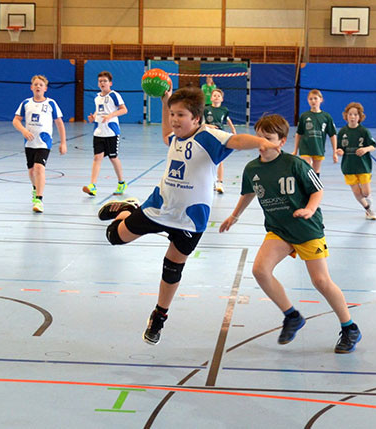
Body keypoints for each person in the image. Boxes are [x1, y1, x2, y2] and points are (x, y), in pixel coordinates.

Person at [96, 86, 280, 346]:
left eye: (180, 115)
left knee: (172, 268)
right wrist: (164, 102)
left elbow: (236, 141)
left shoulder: (209, 137)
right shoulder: (175, 137)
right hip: (159, 206)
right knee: (113, 236)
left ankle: (159, 316)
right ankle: (127, 208)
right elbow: (164, 133)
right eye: (172, 114)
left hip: (190, 219)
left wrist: (261, 142)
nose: (174, 120)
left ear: (196, 119)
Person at [219, 114, 362, 354]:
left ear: (281, 141)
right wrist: (234, 216)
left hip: (306, 229)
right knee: (260, 270)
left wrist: (309, 209)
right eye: (258, 137)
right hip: (279, 229)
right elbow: (248, 194)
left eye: (268, 138)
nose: (262, 142)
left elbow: (317, 190)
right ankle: (292, 315)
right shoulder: (252, 168)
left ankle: (350, 328)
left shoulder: (295, 164)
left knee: (321, 282)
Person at [12, 74, 67, 213]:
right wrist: (24, 131)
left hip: (44, 142)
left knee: (39, 168)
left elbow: (59, 123)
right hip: (29, 142)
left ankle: (39, 200)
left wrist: (63, 143)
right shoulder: (26, 103)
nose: (38, 87)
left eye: (41, 85)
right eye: (35, 84)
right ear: (31, 87)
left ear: (45, 88)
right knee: (31, 171)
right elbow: (16, 120)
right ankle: (35, 188)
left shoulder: (51, 104)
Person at [83, 71, 128, 197]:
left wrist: (110, 116)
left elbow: (124, 110)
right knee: (97, 157)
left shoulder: (114, 95)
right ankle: (92, 185)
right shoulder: (97, 97)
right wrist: (93, 117)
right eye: (100, 81)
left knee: (113, 157)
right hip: (98, 132)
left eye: (105, 81)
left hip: (111, 132)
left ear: (110, 83)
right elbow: (98, 111)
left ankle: (121, 182)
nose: (102, 83)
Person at [336, 102, 376, 220]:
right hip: (348, 166)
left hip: (363, 165)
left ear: (359, 117)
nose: (352, 117)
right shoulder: (343, 132)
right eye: (350, 114)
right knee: (357, 192)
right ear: (346, 116)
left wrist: (365, 149)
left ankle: (369, 203)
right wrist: (339, 151)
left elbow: (374, 145)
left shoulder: (364, 131)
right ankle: (368, 209)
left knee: (365, 192)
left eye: (355, 114)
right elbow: (340, 147)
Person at [293, 89, 338, 176]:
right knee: (307, 167)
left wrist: (334, 152)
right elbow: (299, 133)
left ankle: (315, 188)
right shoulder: (304, 116)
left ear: (321, 99)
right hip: (305, 147)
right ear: (308, 100)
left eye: (315, 98)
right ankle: (305, 188)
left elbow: (332, 135)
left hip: (318, 147)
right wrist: (295, 150)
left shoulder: (326, 117)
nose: (313, 101)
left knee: (316, 170)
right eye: (310, 99)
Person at [203, 88, 237, 194]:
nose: (216, 97)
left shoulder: (224, 110)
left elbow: (227, 119)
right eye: (214, 95)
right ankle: (211, 181)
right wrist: (208, 126)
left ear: (222, 99)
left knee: (220, 160)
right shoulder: (206, 109)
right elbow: (200, 123)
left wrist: (233, 129)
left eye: (218, 96)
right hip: (209, 135)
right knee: (209, 160)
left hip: (220, 136)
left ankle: (220, 183)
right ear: (211, 98)